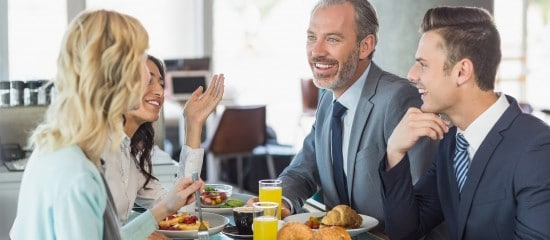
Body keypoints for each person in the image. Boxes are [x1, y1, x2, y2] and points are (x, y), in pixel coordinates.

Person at [10, 10, 202, 240]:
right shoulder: (79, 175)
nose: (151, 79)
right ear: (115, 75)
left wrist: (164, 208)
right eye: (139, 59)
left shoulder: (60, 146)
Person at [380, 6, 550, 239]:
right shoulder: (451, 144)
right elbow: (405, 231)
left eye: (423, 64)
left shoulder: (537, 147)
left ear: (462, 71)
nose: (411, 74)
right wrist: (395, 152)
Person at [273, 0, 438, 233]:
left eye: (332, 39)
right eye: (312, 37)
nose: (316, 51)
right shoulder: (328, 97)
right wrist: (281, 201)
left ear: (365, 46)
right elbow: (304, 169)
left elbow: (419, 204)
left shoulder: (400, 99)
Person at [103, 54, 224, 224]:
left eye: (161, 84)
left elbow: (179, 209)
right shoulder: (96, 151)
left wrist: (193, 125)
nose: (160, 92)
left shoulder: (133, 154)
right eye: (148, 81)